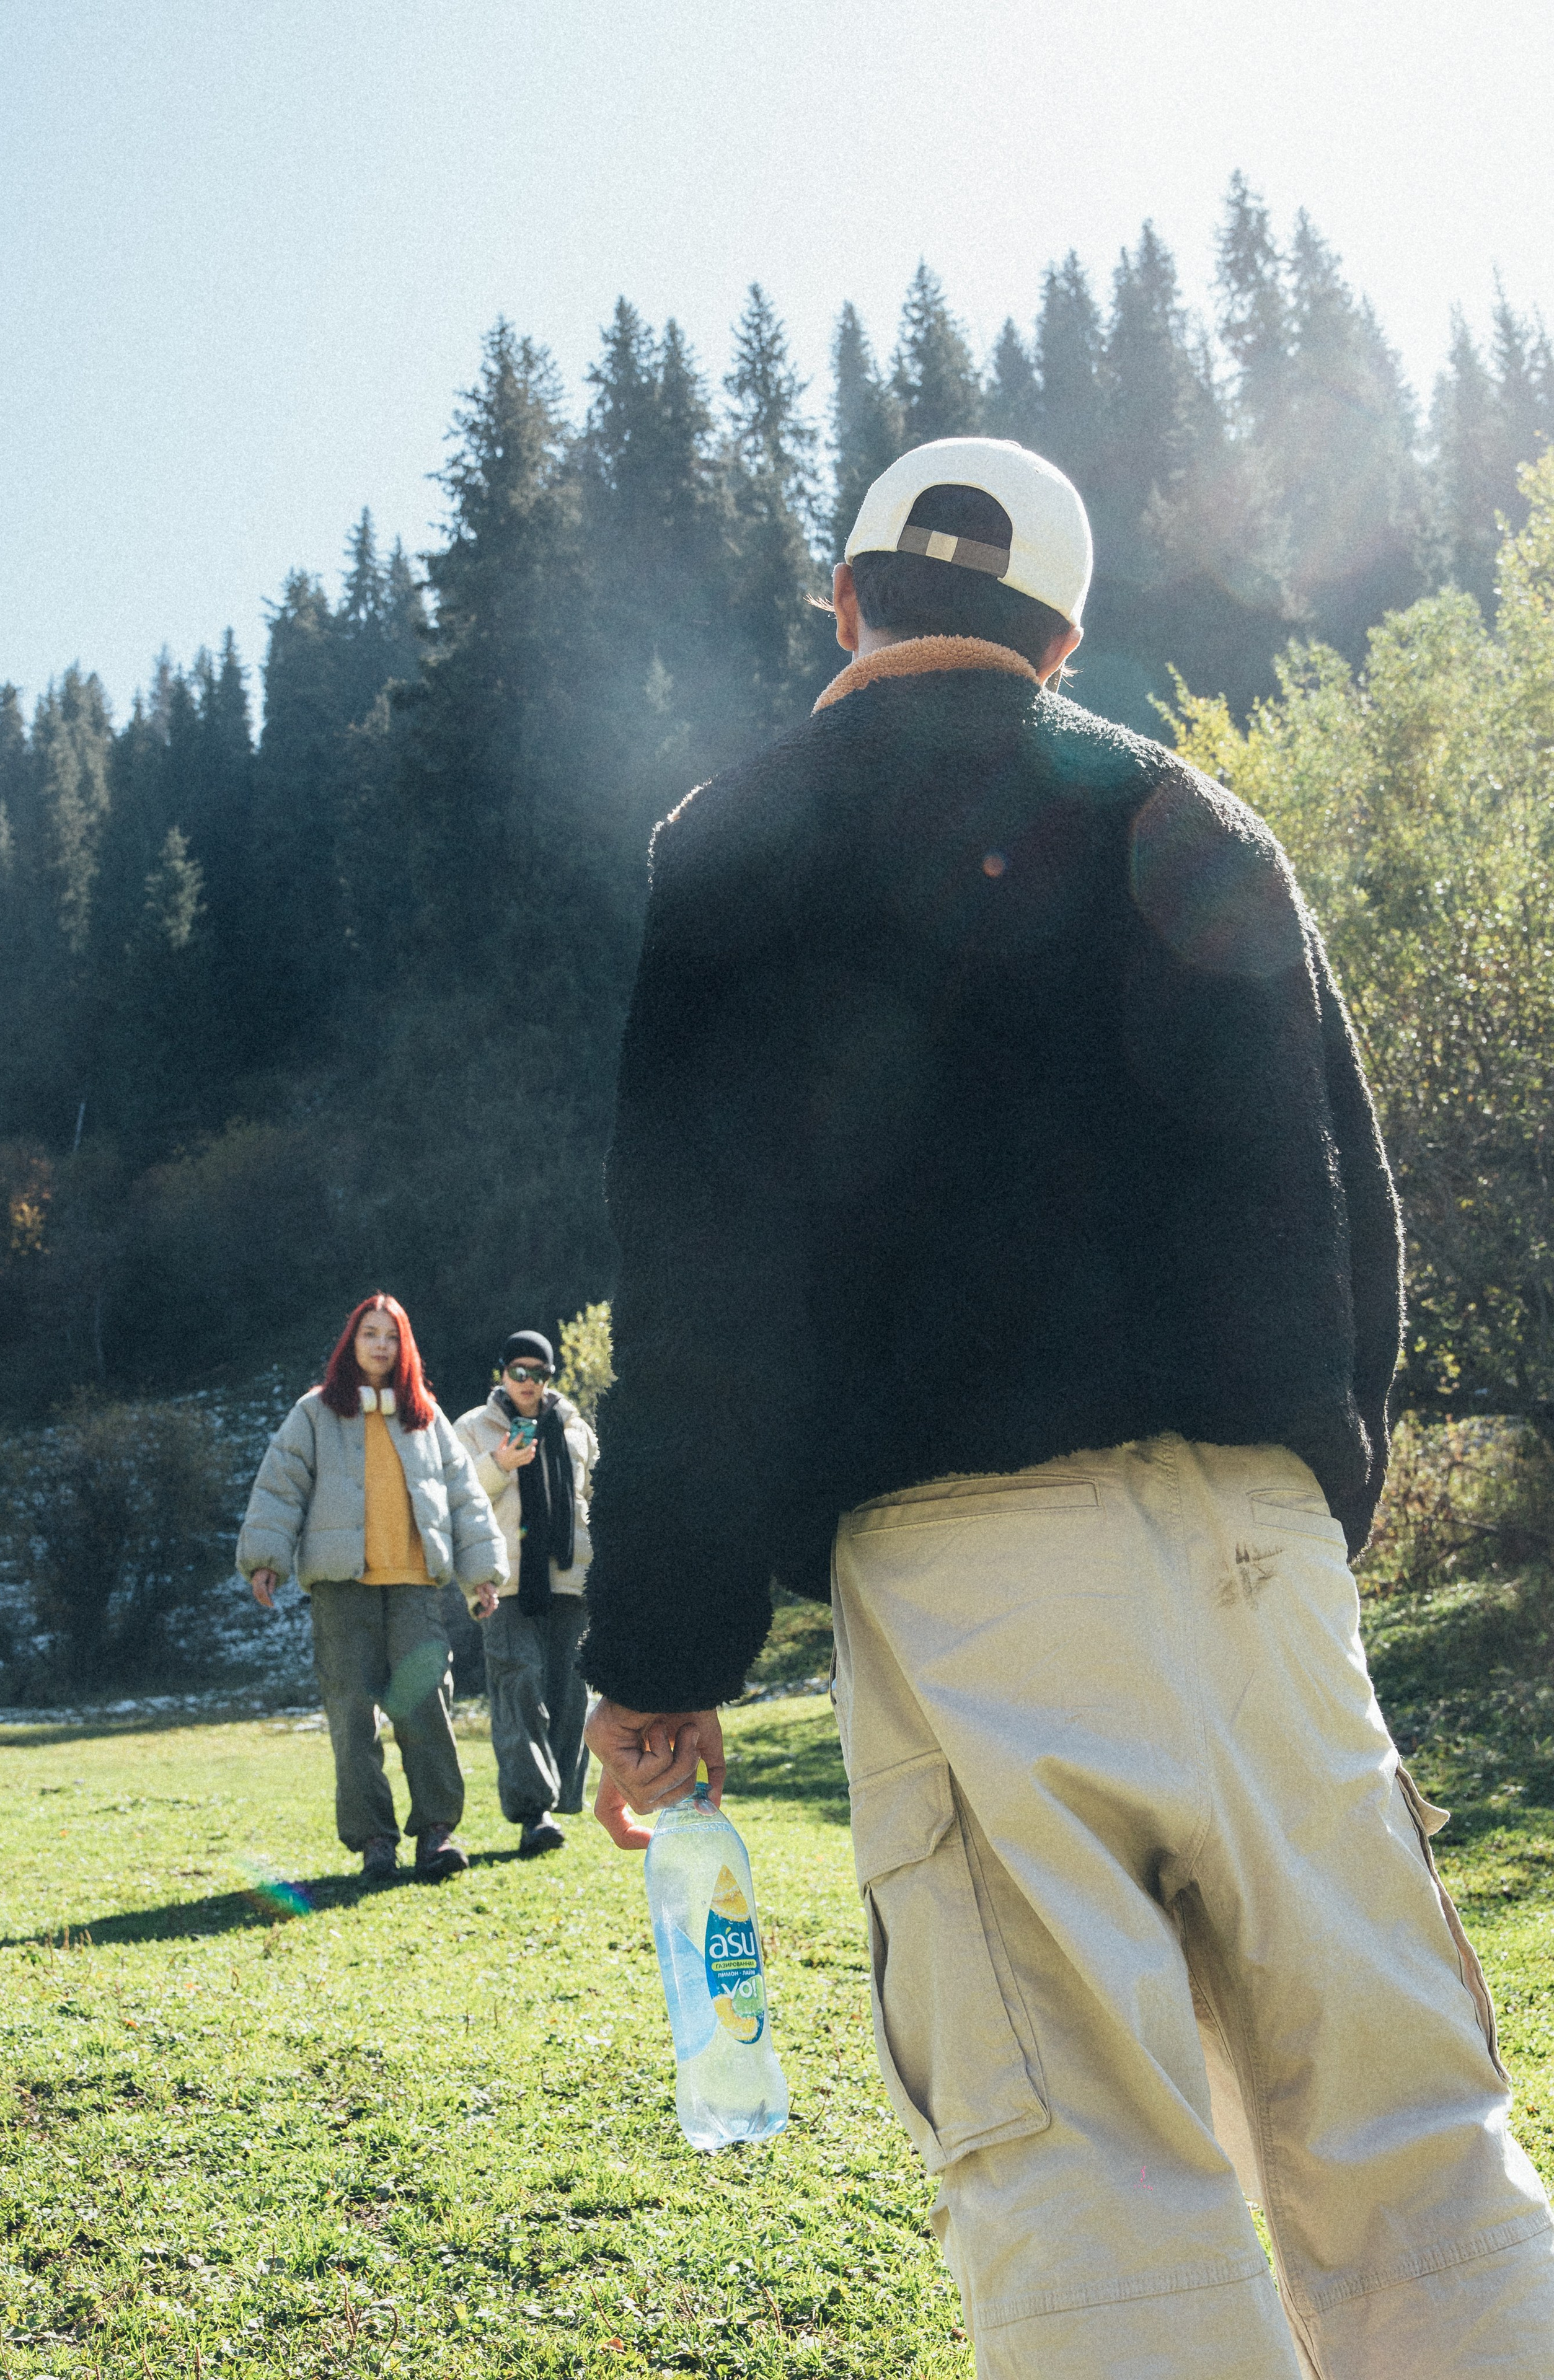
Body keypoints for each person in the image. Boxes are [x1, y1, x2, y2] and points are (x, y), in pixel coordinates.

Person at [580, 439, 1554, 2378]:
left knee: (1089, 2171)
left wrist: (663, 1651)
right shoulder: (1183, 813)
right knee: (1410, 2130)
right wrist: (1303, 1521)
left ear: (844, 604)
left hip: (961, 1586)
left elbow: (704, 1286)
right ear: (1065, 635)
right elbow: (1344, 1210)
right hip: (1258, 1550)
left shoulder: (733, 844)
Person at [238, 1293, 505, 1882]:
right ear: (351, 1343)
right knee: (353, 1713)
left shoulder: (426, 1417)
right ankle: (374, 1842)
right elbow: (280, 1486)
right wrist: (266, 1558)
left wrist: (481, 1573)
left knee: (426, 1706)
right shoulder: (314, 1413)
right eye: (370, 1334)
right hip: (343, 1589)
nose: (380, 1345)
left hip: (413, 1586)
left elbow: (463, 1498)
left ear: (403, 1346)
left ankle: (437, 1834)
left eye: (391, 1336)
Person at [454, 1331, 599, 1858]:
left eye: (539, 1373)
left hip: (570, 1578)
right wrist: (499, 1465)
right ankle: (532, 1812)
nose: (528, 1383)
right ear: (501, 1374)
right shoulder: (472, 1427)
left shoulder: (576, 1429)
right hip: (504, 1580)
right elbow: (457, 1499)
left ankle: (557, 1802)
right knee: (520, 1688)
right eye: (518, 1371)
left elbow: (592, 1497)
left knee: (569, 1694)